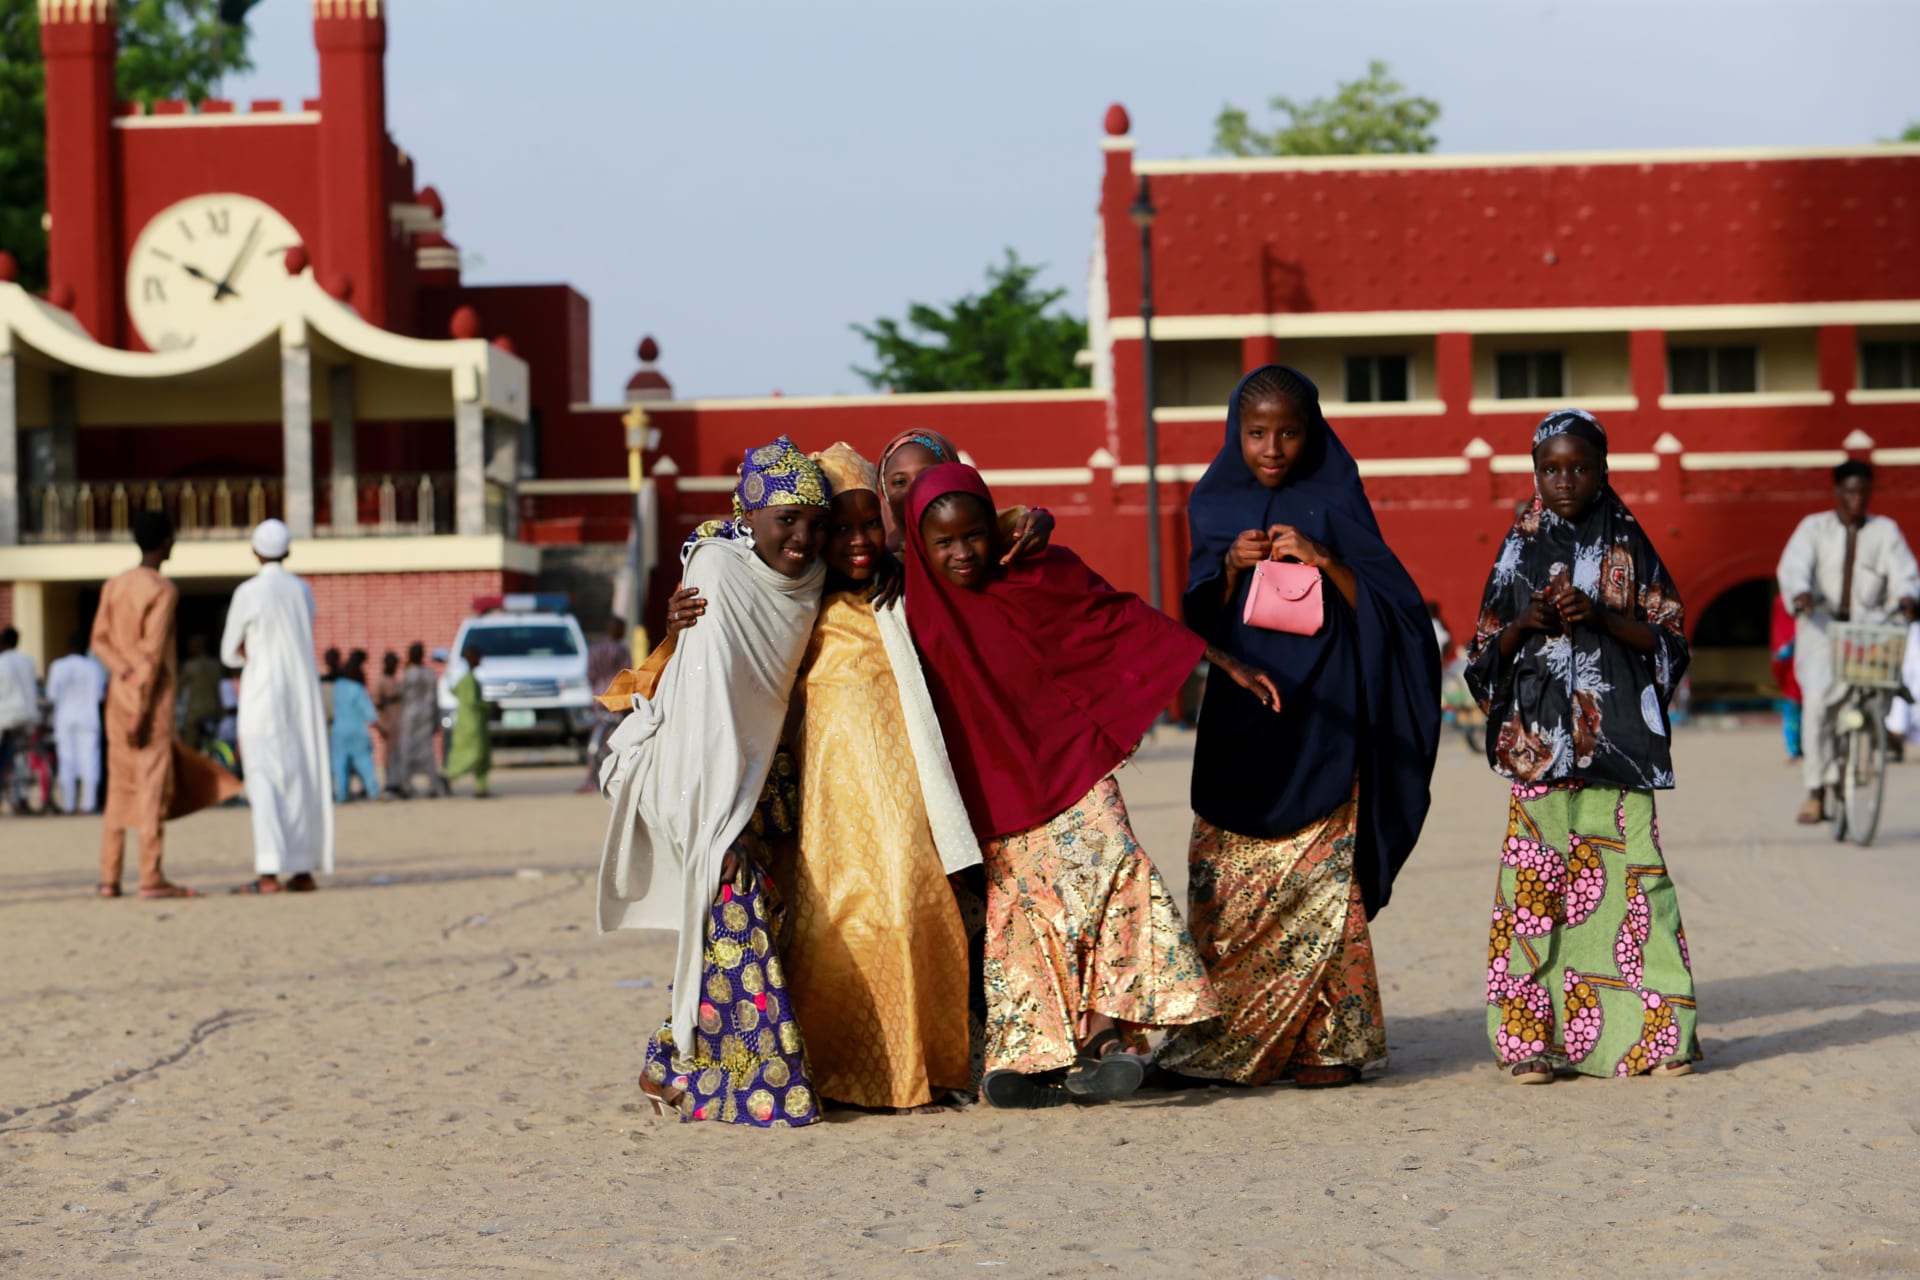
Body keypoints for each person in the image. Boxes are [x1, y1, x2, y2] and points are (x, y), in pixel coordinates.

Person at [905, 462, 1273, 1109]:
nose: (963, 552)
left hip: (1071, 762)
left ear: (995, 527)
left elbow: (1111, 618)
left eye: (974, 535)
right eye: (944, 542)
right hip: (992, 789)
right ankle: (1029, 1055)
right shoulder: (906, 607)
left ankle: (1106, 1038)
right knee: (1022, 909)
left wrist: (1212, 656)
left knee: (1115, 872)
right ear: (919, 543)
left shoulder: (1037, 572)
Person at [666, 443, 977, 1111]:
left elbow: (980, 540)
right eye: (839, 527)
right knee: (830, 923)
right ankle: (839, 1072)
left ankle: (921, 1067)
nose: (855, 540)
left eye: (870, 525)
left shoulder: (902, 585)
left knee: (912, 902)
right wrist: (674, 625)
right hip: (820, 795)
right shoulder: (789, 594)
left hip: (902, 785)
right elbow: (721, 663)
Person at [1159, 366, 1442, 1090]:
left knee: (1323, 890)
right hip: (1241, 723)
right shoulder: (1213, 501)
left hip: (1327, 720)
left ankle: (1331, 1046)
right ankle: (1227, 1039)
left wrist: (1326, 562)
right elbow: (1198, 622)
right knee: (1227, 884)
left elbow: (1400, 614)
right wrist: (1228, 569)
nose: (1273, 447)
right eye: (1257, 432)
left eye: (1288, 431)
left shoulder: (1335, 496)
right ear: (1236, 433)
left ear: (1310, 430)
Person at [597, 435, 831, 1126]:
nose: (802, 536)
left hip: (763, 786)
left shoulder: (812, 580)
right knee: (739, 927)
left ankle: (667, 1062)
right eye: (785, 518)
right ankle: (765, 1090)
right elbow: (703, 710)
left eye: (815, 522)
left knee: (728, 931)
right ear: (748, 515)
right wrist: (718, 822)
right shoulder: (720, 575)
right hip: (704, 788)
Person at [1464, 409, 1700, 1082]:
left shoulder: (1631, 546)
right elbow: (1483, 653)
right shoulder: (1516, 551)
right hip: (1539, 753)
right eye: (1550, 469)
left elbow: (1669, 641)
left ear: (1604, 470)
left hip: (1619, 750)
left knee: (1636, 894)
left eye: (1578, 468)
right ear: (1534, 473)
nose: (1564, 481)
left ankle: (1659, 1041)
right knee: (1535, 896)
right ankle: (1531, 1043)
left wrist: (1601, 617)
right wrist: (1525, 625)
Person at [93, 511, 238, 898]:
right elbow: (152, 655)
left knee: (118, 786)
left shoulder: (114, 584)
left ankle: (109, 877)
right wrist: (141, 705)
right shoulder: (162, 590)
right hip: (148, 704)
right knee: (151, 787)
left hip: (116, 699)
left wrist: (121, 675)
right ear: (165, 543)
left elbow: (99, 641)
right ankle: (150, 875)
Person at [1777, 460, 1920, 823]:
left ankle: (1866, 756)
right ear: (1838, 492)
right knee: (1818, 706)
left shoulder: (1885, 531)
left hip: (1870, 631)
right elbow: (1794, 567)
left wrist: (1907, 596)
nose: (1857, 499)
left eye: (1864, 492)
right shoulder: (1814, 528)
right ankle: (1816, 791)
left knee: (1880, 693)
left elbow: (1905, 572)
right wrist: (1801, 594)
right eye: (1851, 491)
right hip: (1824, 631)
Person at [221, 518, 334, 894]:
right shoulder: (301, 590)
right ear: (287, 551)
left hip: (262, 693)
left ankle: (269, 871)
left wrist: (247, 655)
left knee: (264, 777)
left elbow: (229, 651)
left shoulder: (248, 592)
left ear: (255, 552)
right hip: (301, 693)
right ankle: (302, 868)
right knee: (301, 775)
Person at [46, 631, 107, 815]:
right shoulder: (94, 667)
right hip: (88, 718)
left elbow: (51, 695)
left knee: (67, 760)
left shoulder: (58, 666)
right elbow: (99, 695)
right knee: (90, 760)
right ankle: (88, 804)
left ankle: (68, 804)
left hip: (64, 718)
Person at [581, 616, 629, 794]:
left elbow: (589, 674)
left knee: (596, 737)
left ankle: (591, 778)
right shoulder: (620, 650)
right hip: (616, 698)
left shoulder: (594, 649)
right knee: (616, 740)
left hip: (598, 697)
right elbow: (626, 674)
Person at [392, 642, 441, 797]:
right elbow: (435, 699)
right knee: (426, 749)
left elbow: (401, 694)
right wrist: (436, 718)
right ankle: (432, 785)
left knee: (407, 749)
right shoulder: (430, 673)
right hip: (425, 714)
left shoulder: (409, 673)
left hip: (411, 714)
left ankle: (407, 786)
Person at [443, 645, 493, 798]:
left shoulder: (470, 679)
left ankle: (481, 788)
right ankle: (448, 776)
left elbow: (455, 691)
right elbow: (472, 702)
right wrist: (489, 705)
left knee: (483, 757)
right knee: (473, 755)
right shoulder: (468, 681)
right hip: (471, 724)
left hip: (476, 723)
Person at [331, 653, 380, 804]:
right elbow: (370, 714)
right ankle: (373, 792)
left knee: (340, 764)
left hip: (338, 731)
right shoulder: (358, 689)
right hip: (358, 731)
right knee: (364, 762)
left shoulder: (337, 686)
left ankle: (341, 795)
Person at [0, 625, 38, 802]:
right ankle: (21, 798)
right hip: (29, 715)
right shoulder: (29, 661)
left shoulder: (2, 661)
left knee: (6, 756)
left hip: (8, 716)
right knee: (22, 756)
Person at [1771, 594, 1803, 762]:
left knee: (1793, 712)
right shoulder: (1785, 603)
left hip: (1793, 672)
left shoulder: (1781, 603)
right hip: (1795, 674)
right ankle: (1796, 748)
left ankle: (1794, 749)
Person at [177, 634, 223, 751]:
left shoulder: (190, 666)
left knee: (189, 747)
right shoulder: (216, 665)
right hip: (216, 710)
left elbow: (178, 687)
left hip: (196, 713)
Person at [373, 651, 404, 793]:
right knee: (388, 756)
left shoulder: (395, 681)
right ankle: (389, 784)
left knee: (398, 755)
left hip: (397, 726)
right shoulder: (380, 682)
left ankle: (396, 783)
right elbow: (376, 703)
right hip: (387, 725)